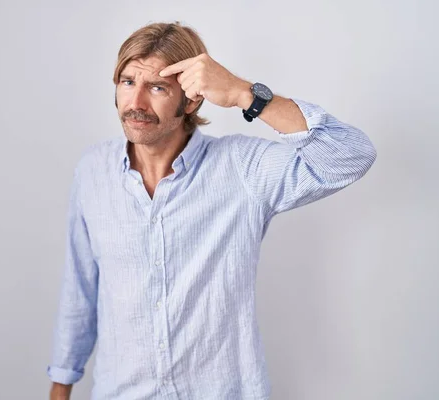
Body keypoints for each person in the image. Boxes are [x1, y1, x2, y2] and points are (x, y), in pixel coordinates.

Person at [47, 21, 376, 400]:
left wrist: (243, 94)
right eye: (127, 82)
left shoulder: (241, 168)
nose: (135, 103)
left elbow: (351, 155)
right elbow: (80, 290)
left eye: (157, 87)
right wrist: (60, 387)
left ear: (191, 99)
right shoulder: (92, 172)